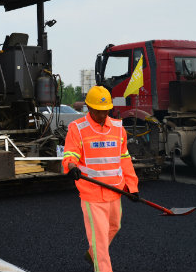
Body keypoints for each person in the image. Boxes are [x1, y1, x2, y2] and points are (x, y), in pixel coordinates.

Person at [62, 85, 139, 272]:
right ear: (89, 108)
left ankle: (92, 253)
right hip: (92, 193)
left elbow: (124, 159)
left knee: (114, 226)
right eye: (99, 112)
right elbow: (70, 154)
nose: (103, 115)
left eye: (106, 111)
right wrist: (72, 167)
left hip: (115, 190)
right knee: (100, 241)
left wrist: (132, 186)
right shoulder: (77, 128)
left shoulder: (119, 129)